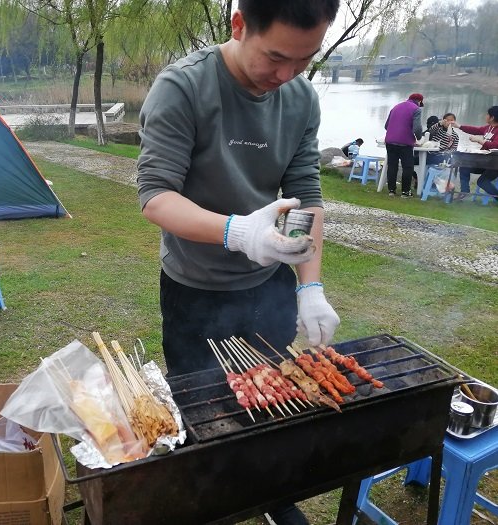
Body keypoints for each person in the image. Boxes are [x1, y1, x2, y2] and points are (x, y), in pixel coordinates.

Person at [137, 2, 341, 524]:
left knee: (275, 396)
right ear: (239, 25)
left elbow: (306, 196)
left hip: (268, 283)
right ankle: (207, 495)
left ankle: (272, 495)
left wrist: (309, 287)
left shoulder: (300, 98)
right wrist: (237, 232)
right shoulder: (183, 87)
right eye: (275, 57)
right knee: (202, 407)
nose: (286, 75)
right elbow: (156, 196)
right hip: (194, 286)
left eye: (304, 59)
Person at [451, 106, 498, 201]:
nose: (485, 116)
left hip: (495, 165)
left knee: (482, 182)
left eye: (487, 114)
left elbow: (495, 145)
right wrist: (459, 126)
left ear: (492, 117)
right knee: (464, 166)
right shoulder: (489, 128)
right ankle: (465, 192)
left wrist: (480, 140)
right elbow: (475, 130)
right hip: (486, 163)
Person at [384, 93, 424, 197]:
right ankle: (405, 192)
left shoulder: (396, 107)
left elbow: (386, 126)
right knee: (407, 167)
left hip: (390, 141)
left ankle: (391, 190)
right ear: (419, 101)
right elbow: (417, 128)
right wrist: (419, 138)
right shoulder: (416, 109)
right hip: (405, 143)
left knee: (392, 165)